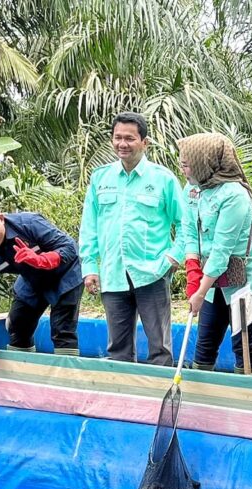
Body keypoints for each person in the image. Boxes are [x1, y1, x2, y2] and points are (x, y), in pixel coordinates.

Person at [80, 111, 186, 365]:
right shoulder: (100, 178)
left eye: (129, 138)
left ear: (144, 142)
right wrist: (89, 267)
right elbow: (89, 227)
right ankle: (123, 400)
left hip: (152, 273)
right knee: (118, 349)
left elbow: (186, 225)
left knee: (160, 348)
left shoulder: (163, 179)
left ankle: (158, 399)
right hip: (113, 273)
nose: (122, 144)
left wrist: (173, 257)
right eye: (117, 138)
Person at [178, 132, 252, 373]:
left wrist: (200, 292)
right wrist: (193, 273)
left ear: (204, 163)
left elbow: (222, 250)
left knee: (242, 342)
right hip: (213, 279)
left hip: (248, 280)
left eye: (186, 164)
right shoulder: (193, 189)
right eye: (180, 164)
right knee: (205, 343)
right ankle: (199, 397)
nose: (183, 170)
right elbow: (190, 232)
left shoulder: (234, 195)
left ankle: (246, 393)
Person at [0, 196, 81, 367]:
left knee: (62, 331)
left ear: (1, 218)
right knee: (18, 326)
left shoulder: (30, 223)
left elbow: (70, 248)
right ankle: (24, 375)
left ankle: (69, 382)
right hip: (31, 279)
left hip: (65, 276)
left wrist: (43, 260)